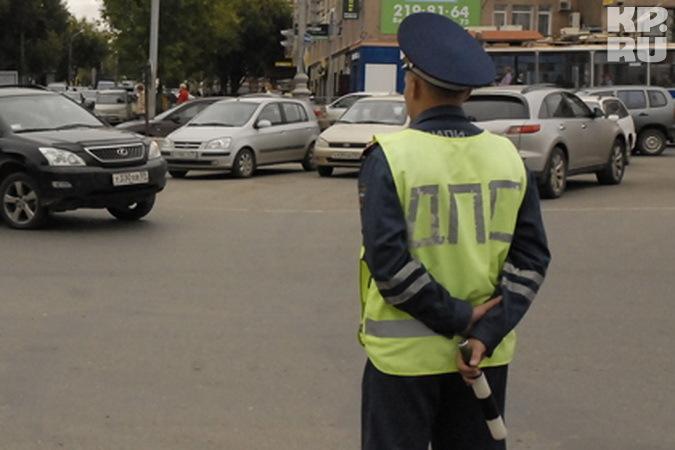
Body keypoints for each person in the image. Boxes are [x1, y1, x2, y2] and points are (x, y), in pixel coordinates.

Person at [358, 13, 551, 450]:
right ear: (465, 92)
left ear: (412, 85)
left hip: (403, 365)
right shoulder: (508, 157)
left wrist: (459, 318)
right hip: (482, 361)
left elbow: (388, 264)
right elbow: (531, 261)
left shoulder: (389, 156)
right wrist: (483, 334)